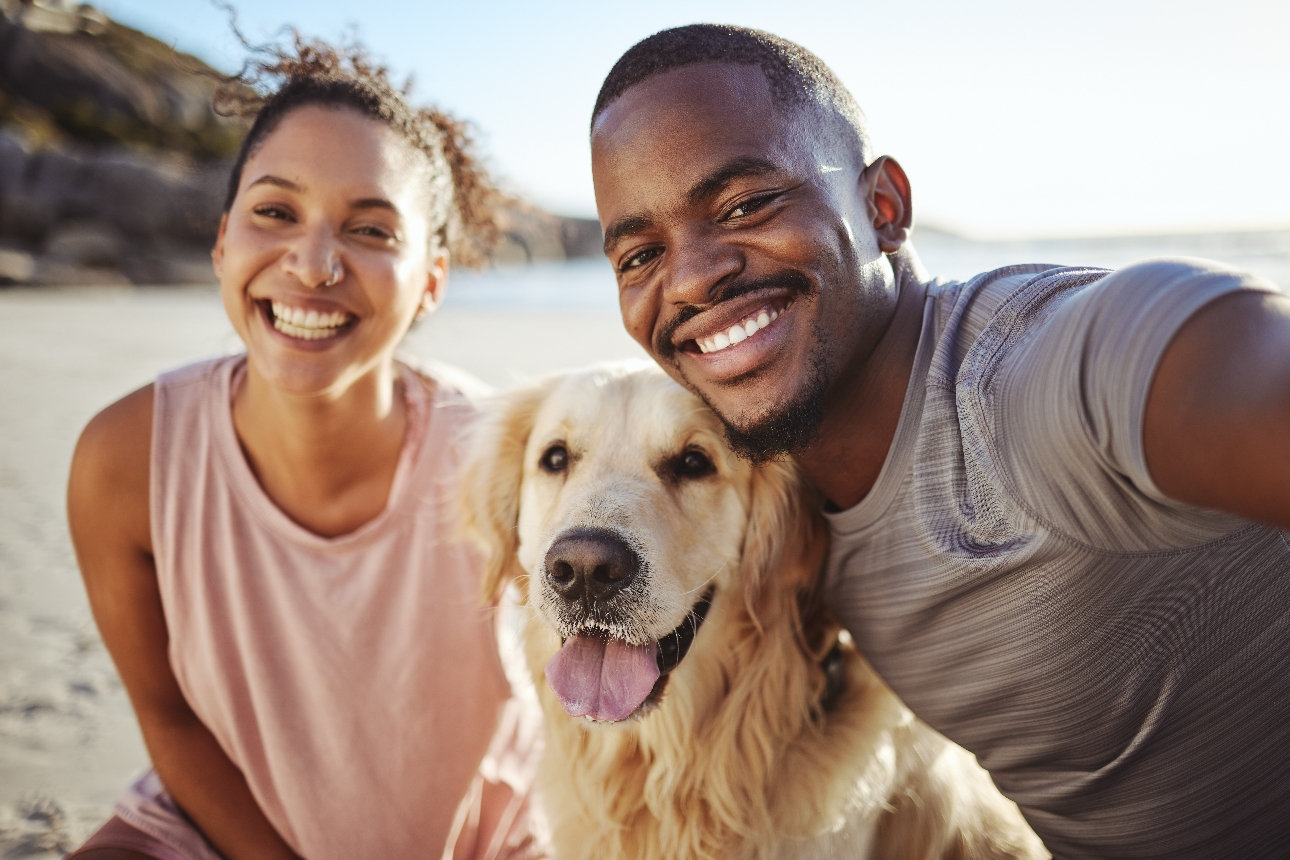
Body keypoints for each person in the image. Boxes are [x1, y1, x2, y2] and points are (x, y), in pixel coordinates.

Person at [588, 24, 1290, 860]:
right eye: (640, 255)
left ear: (883, 207)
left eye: (745, 206)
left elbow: (1226, 366)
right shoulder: (771, 503)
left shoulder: (1045, 378)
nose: (694, 277)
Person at [65, 37, 541, 860]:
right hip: (217, 830)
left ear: (430, 280)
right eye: (276, 212)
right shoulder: (125, 460)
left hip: (481, 836)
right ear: (223, 243)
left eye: (370, 229)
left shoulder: (497, 456)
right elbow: (169, 719)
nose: (314, 265)